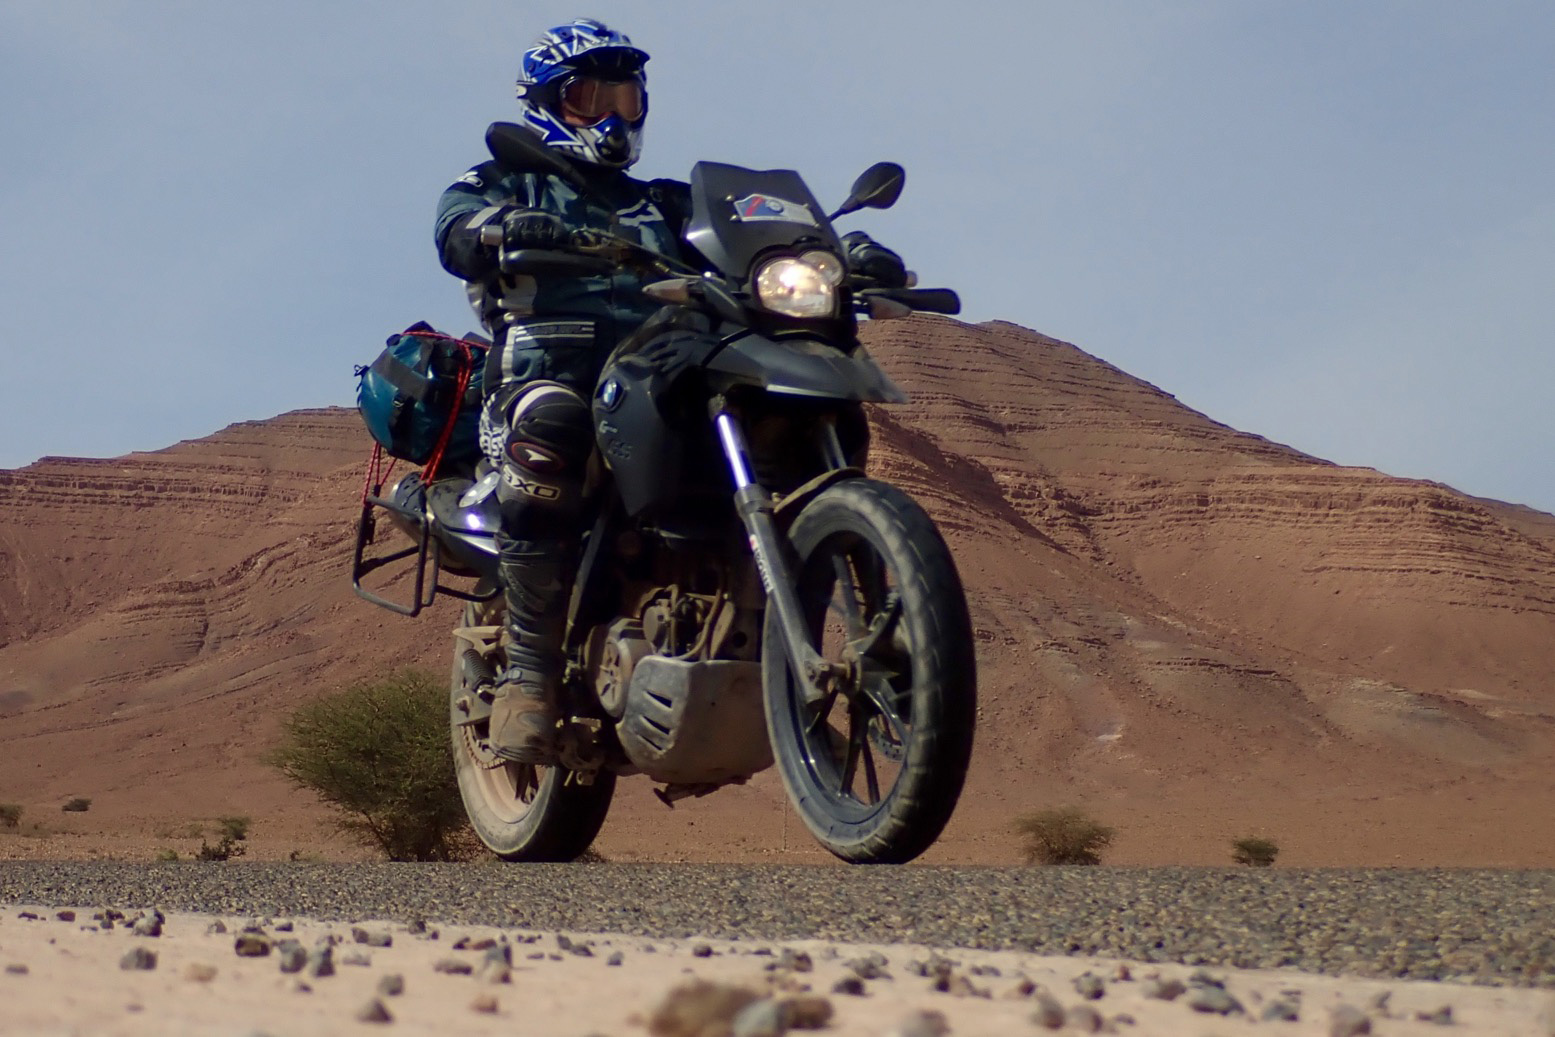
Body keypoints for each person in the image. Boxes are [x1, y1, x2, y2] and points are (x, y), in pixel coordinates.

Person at [434, 18, 906, 766]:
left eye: (625, 98)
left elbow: (759, 232)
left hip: (659, 364)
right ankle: (527, 675)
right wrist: (501, 226)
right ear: (548, 102)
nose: (613, 117)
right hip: (549, 364)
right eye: (591, 98)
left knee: (792, 409)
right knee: (552, 426)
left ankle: (819, 655)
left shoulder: (665, 201)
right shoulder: (501, 180)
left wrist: (844, 248)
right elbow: (455, 230)